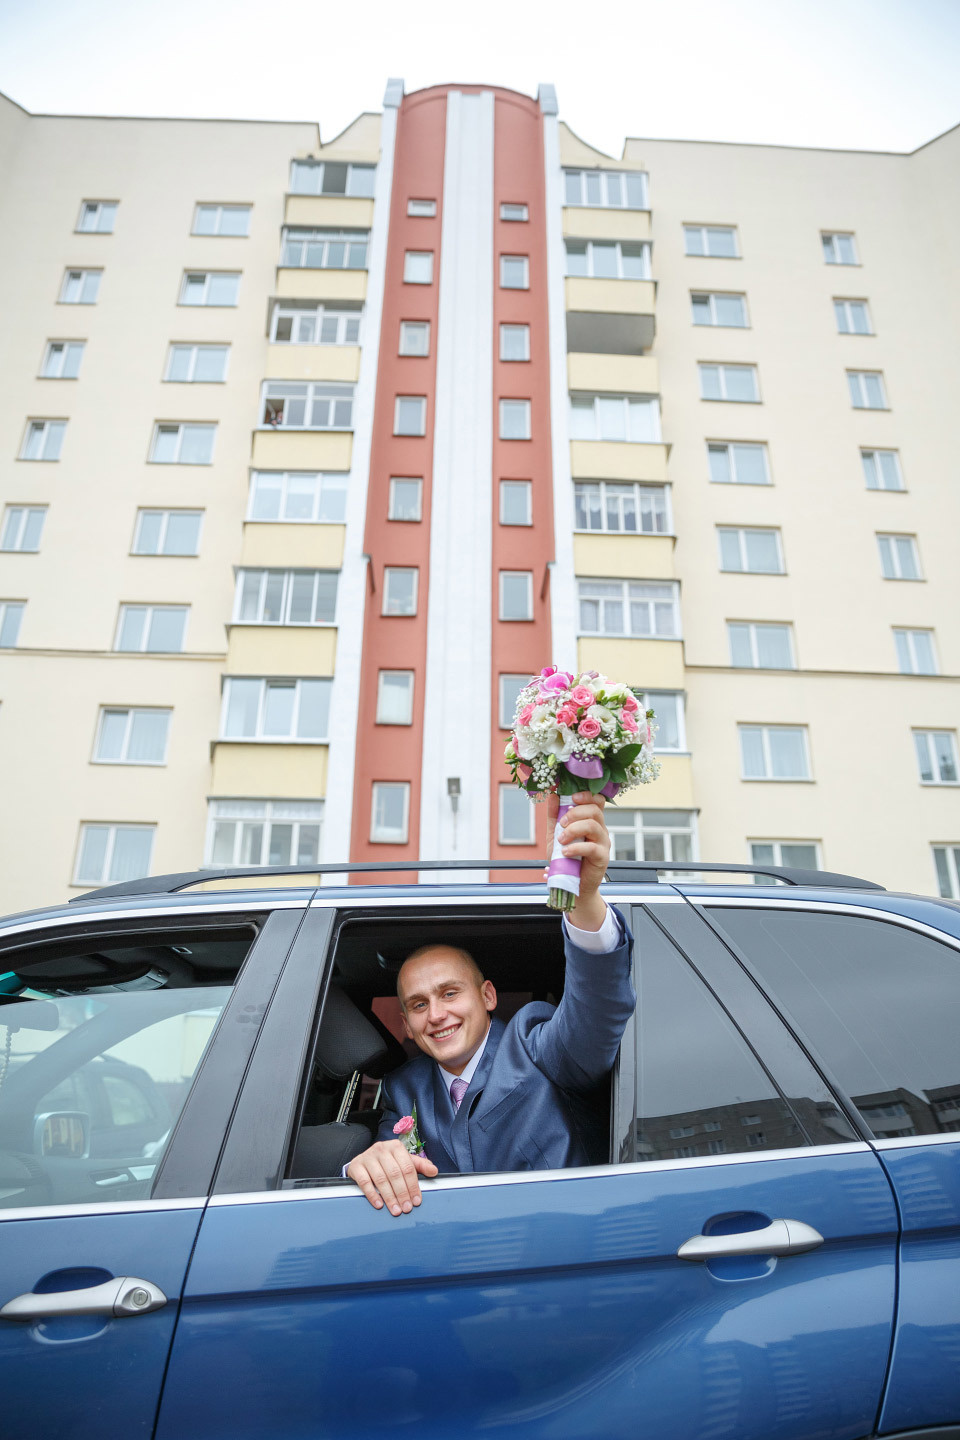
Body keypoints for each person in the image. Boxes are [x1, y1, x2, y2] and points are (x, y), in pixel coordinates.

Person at [346, 791, 635, 1215]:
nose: (438, 1014)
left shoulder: (537, 1046)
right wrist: (365, 1163)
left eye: (449, 993)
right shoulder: (401, 1089)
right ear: (406, 1024)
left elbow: (596, 1010)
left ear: (488, 996)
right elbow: (388, 1163)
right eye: (419, 1004)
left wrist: (586, 900)